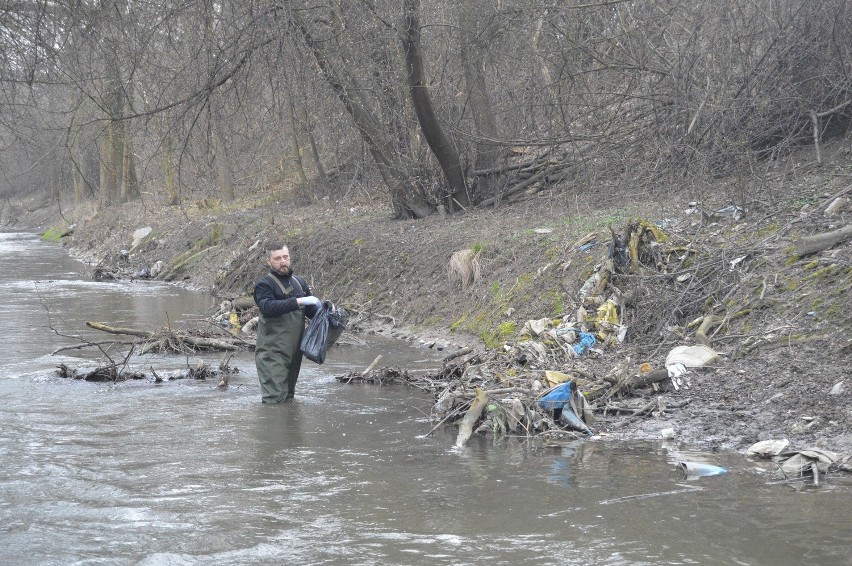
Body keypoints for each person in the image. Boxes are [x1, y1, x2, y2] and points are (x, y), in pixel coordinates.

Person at [253, 243, 321, 403]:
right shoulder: (264, 284)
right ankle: (273, 426)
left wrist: (324, 310)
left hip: (294, 351)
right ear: (269, 261)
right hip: (272, 353)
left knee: (289, 397)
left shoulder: (299, 283)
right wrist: (298, 301)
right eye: (277, 258)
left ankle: (289, 426)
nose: (283, 261)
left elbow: (311, 312)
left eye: (286, 257)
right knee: (274, 400)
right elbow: (267, 307)